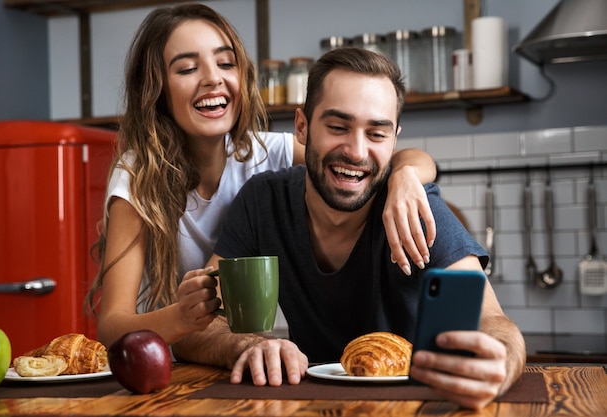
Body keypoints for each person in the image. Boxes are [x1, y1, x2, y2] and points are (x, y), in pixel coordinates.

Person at [176, 47, 526, 410]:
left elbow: (494, 322)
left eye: (376, 134)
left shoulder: (417, 208)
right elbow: (195, 326)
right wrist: (247, 345)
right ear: (302, 126)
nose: (356, 152)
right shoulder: (263, 202)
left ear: (394, 140)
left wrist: (496, 364)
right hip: (308, 405)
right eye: (338, 127)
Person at [84, 4, 438, 352]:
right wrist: (183, 316)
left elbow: (391, 161)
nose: (212, 77)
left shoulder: (264, 152)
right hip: (166, 364)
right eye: (188, 68)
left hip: (233, 358)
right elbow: (113, 327)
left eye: (226, 63)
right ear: (157, 89)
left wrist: (404, 177)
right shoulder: (137, 177)